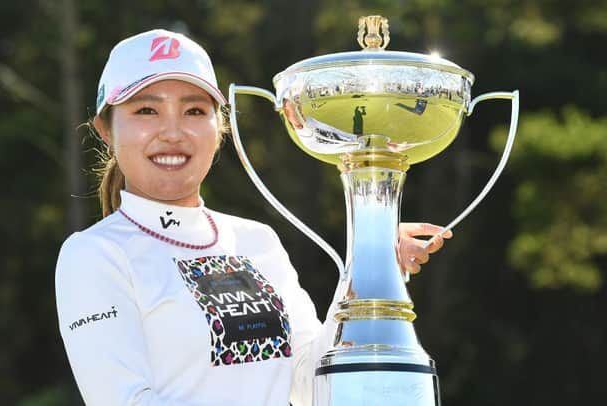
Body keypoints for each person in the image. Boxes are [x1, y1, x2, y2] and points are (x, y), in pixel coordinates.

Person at [55, 29, 452, 406]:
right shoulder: (94, 255)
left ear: (219, 127)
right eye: (146, 110)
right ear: (105, 129)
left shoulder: (256, 240)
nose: (173, 132)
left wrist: (369, 260)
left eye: (194, 110)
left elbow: (311, 384)